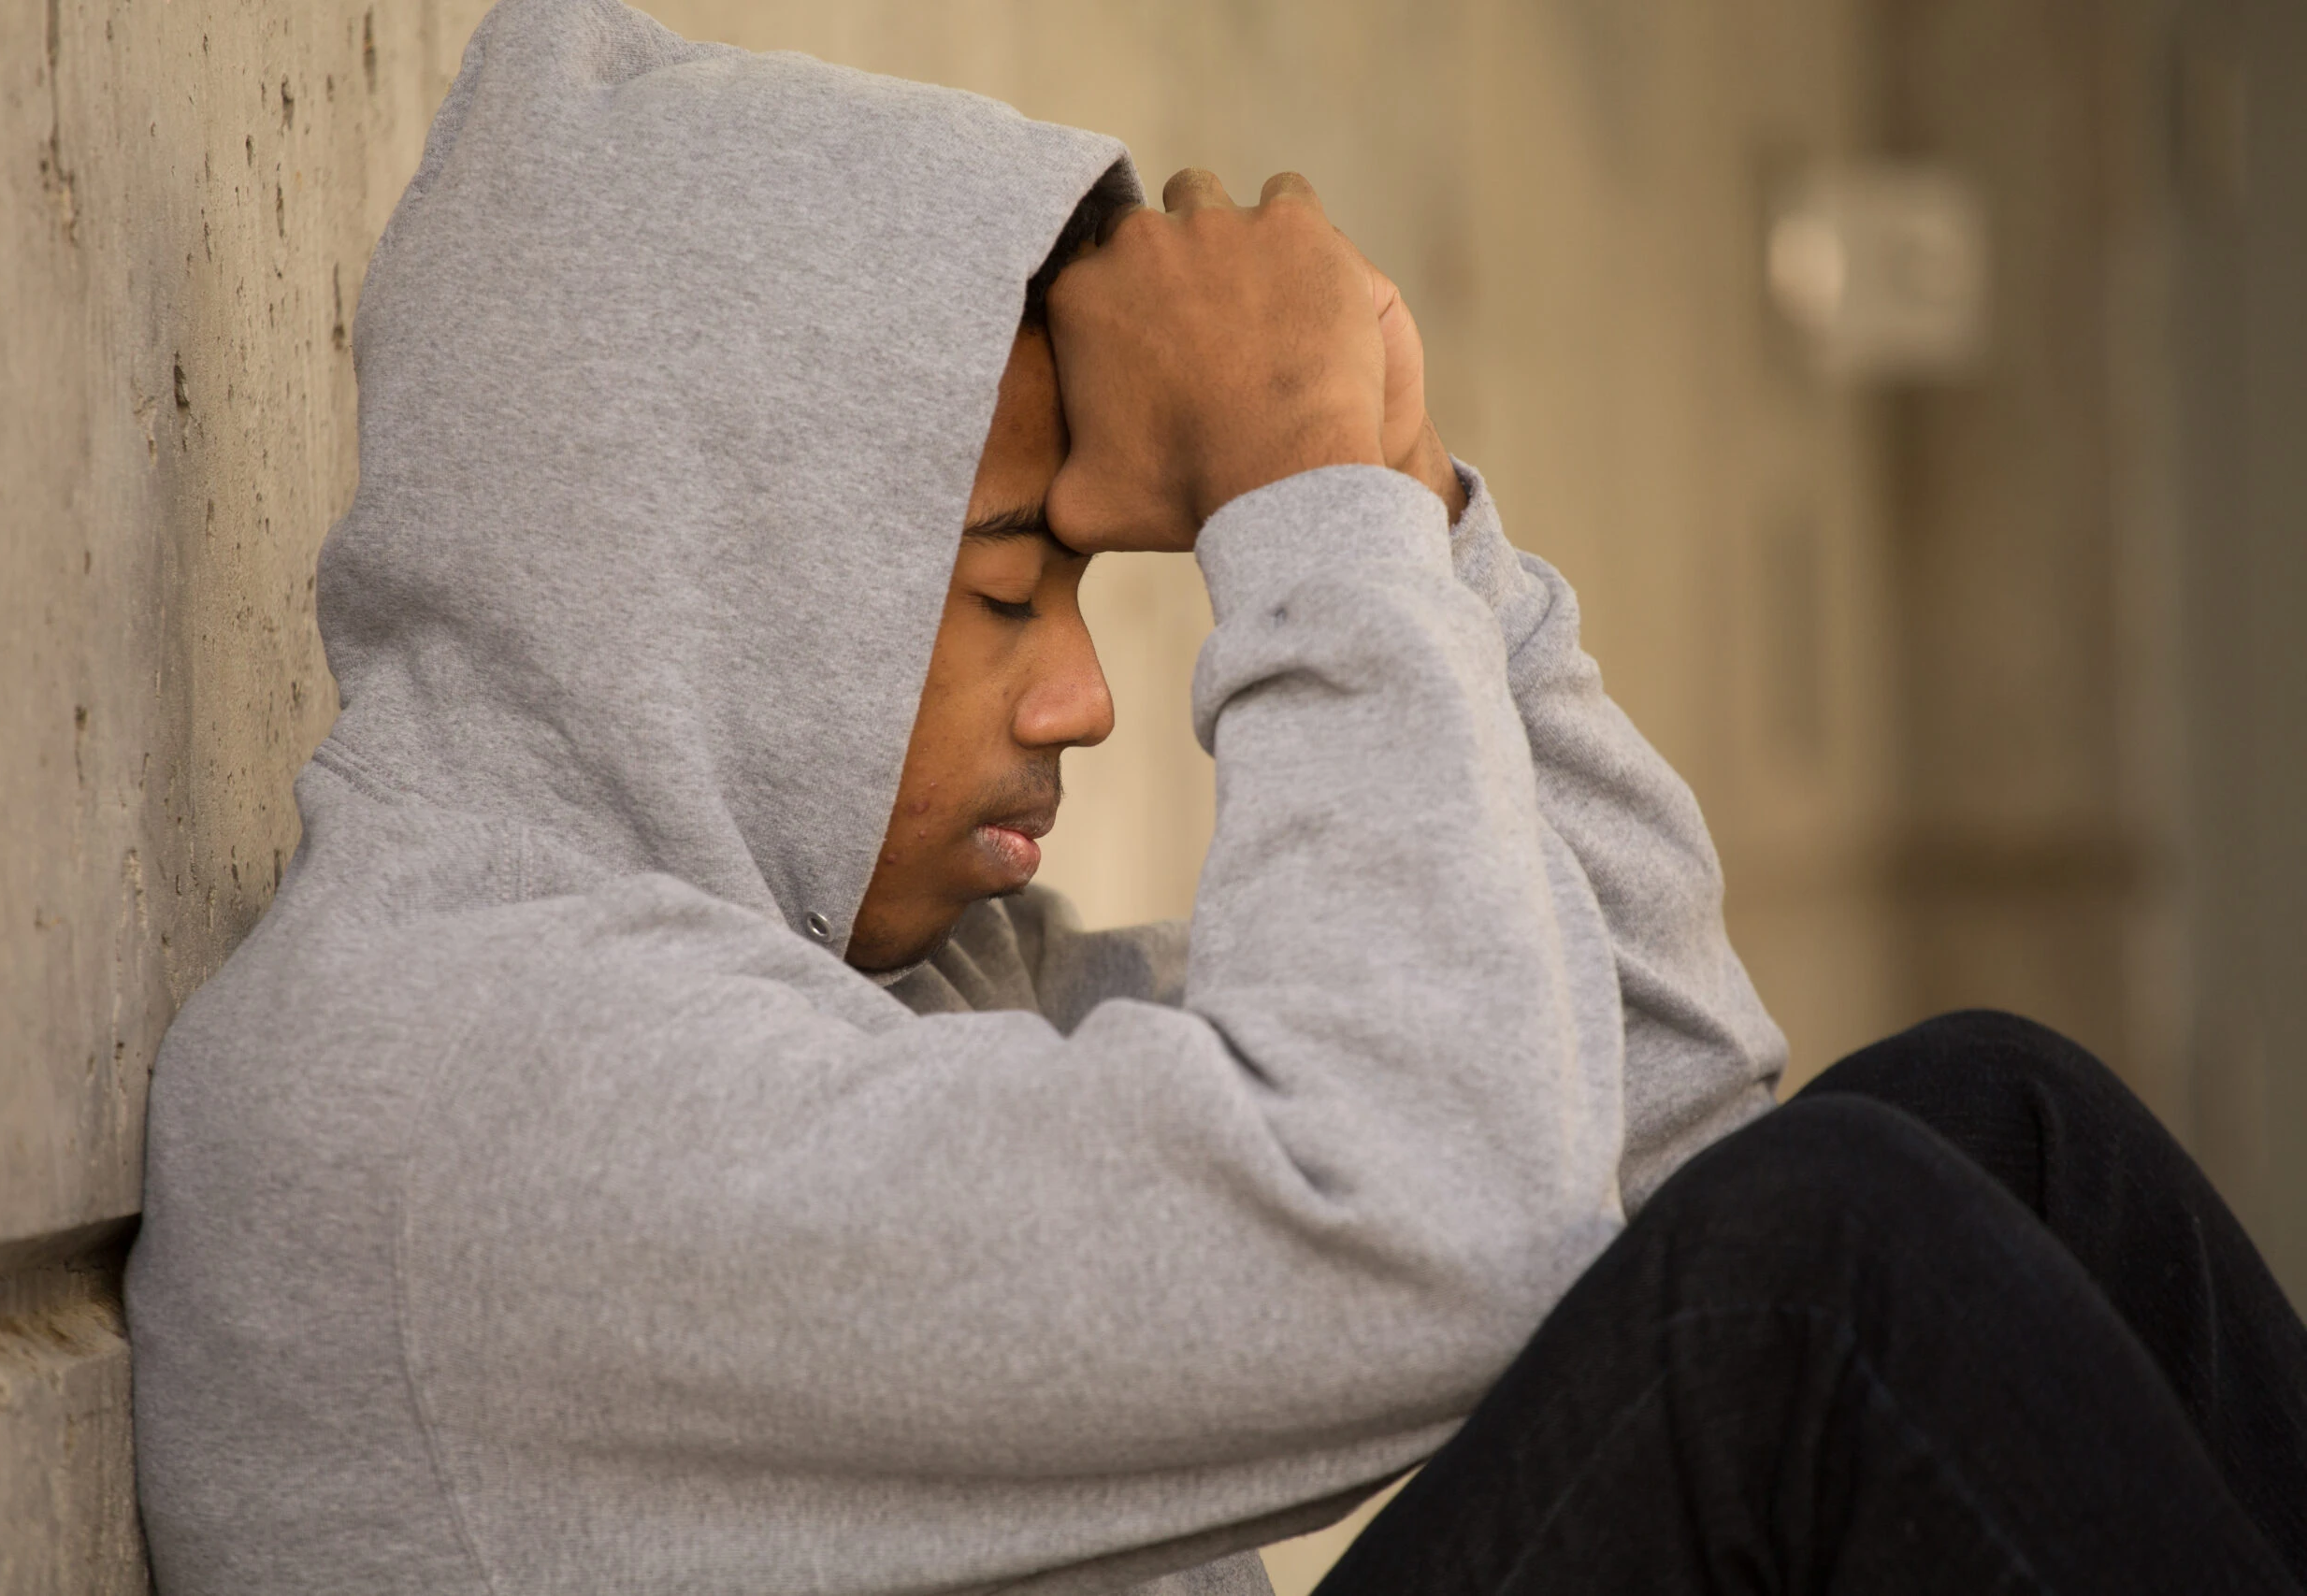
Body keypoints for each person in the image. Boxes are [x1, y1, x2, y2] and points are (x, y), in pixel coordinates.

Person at [124, 0, 2307, 1591]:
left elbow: (1647, 1113)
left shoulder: (866, 997)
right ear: (709, 571)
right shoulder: (465, 1103)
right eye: (1008, 591)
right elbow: (1447, 1226)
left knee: (1977, 1122)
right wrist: (1294, 502)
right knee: (1813, 1293)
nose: (1080, 698)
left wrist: (1403, 500)